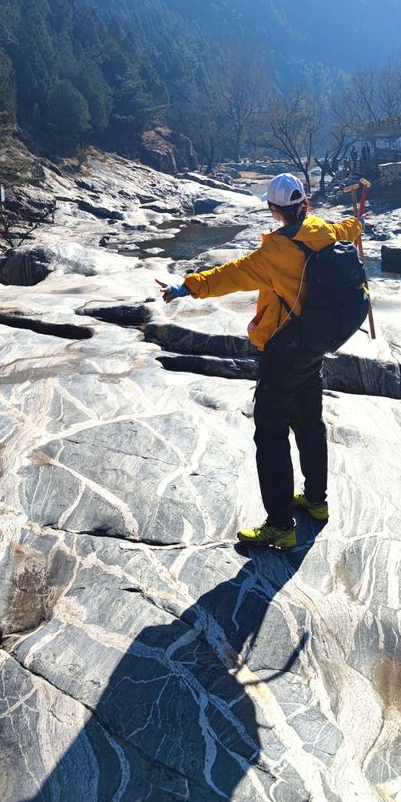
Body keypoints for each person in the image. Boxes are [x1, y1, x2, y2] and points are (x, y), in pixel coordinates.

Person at [156, 173, 363, 550]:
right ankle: (316, 502)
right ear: (304, 203)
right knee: (310, 424)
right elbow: (348, 228)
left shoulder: (274, 253)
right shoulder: (323, 230)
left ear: (272, 209)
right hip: (314, 344)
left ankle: (281, 525)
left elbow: (229, 275)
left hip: (285, 350)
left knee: (270, 434)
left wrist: (186, 286)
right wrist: (357, 223)